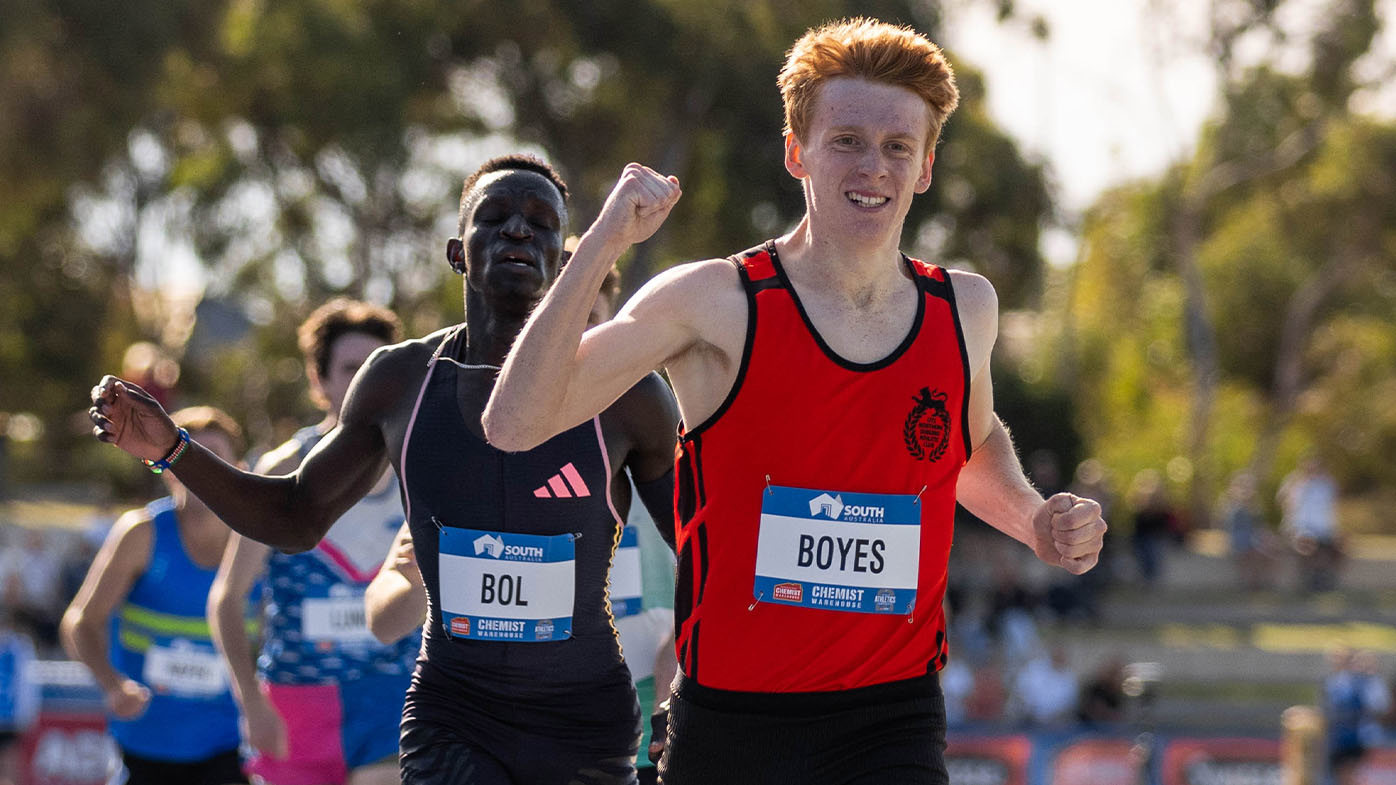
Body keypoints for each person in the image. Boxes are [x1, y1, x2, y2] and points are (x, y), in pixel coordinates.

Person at [481, 17, 1107, 784]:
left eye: (896, 146)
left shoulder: (964, 309)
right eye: (846, 139)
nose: (871, 165)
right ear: (796, 151)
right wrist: (605, 242)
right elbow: (514, 421)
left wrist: (1033, 519)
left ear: (925, 167)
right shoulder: (714, 303)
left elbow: (965, 444)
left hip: (893, 716)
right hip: (734, 724)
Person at [88, 154, 681, 785]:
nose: (516, 231)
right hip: (454, 713)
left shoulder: (627, 395)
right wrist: (173, 449)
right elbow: (294, 515)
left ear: (567, 260)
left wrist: (691, 680)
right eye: (495, 217)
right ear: (458, 252)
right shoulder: (402, 383)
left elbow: (706, 548)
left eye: (540, 222)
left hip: (580, 717)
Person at [359, 259, 679, 783]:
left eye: (586, 321)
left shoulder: (639, 440)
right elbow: (383, 618)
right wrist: (420, 583)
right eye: (547, 323)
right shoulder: (480, 471)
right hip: (491, 725)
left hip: (636, 716)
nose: (564, 341)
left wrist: (681, 657)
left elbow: (711, 561)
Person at [207, 299, 415, 785]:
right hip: (298, 706)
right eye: (349, 368)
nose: (366, 380)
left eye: (378, 367)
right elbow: (227, 598)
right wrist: (250, 701)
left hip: (393, 700)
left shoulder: (420, 469)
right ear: (319, 381)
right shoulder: (282, 470)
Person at [60, 407, 251, 785]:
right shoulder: (141, 534)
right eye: (189, 457)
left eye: (213, 458)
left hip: (229, 747)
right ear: (167, 469)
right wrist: (112, 684)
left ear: (239, 468)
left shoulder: (256, 543)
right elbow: (79, 622)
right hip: (142, 746)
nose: (200, 471)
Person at [1279, 454, 1342, 592]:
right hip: (1300, 528)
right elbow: (1286, 504)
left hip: (1322, 529)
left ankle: (1324, 577)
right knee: (1308, 545)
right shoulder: (1294, 483)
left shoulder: (1325, 484)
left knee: (1337, 547)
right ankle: (1310, 580)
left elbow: (1330, 507)